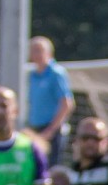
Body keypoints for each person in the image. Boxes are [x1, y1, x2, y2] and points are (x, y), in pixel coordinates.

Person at [27, 37, 76, 166]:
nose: (36, 54)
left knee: (52, 169)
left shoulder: (56, 73)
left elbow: (67, 103)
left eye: (39, 50)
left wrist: (51, 130)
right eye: (33, 50)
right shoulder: (32, 75)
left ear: (49, 53)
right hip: (35, 129)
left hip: (52, 130)